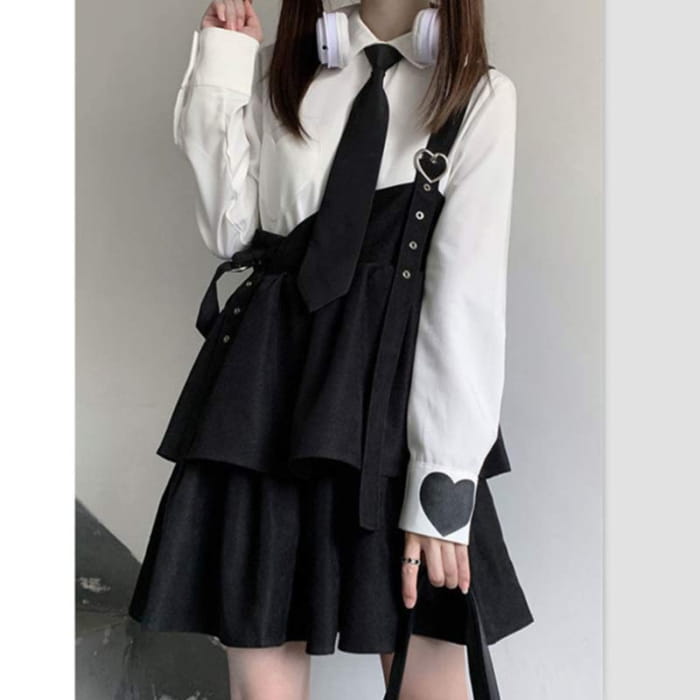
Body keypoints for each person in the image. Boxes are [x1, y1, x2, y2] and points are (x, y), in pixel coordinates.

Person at [128, 0, 533, 698]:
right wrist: (225, 61)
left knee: (430, 679)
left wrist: (442, 487)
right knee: (263, 680)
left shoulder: (479, 95)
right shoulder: (286, 73)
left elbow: (465, 301)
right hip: (265, 402)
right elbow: (230, 231)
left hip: (390, 415)